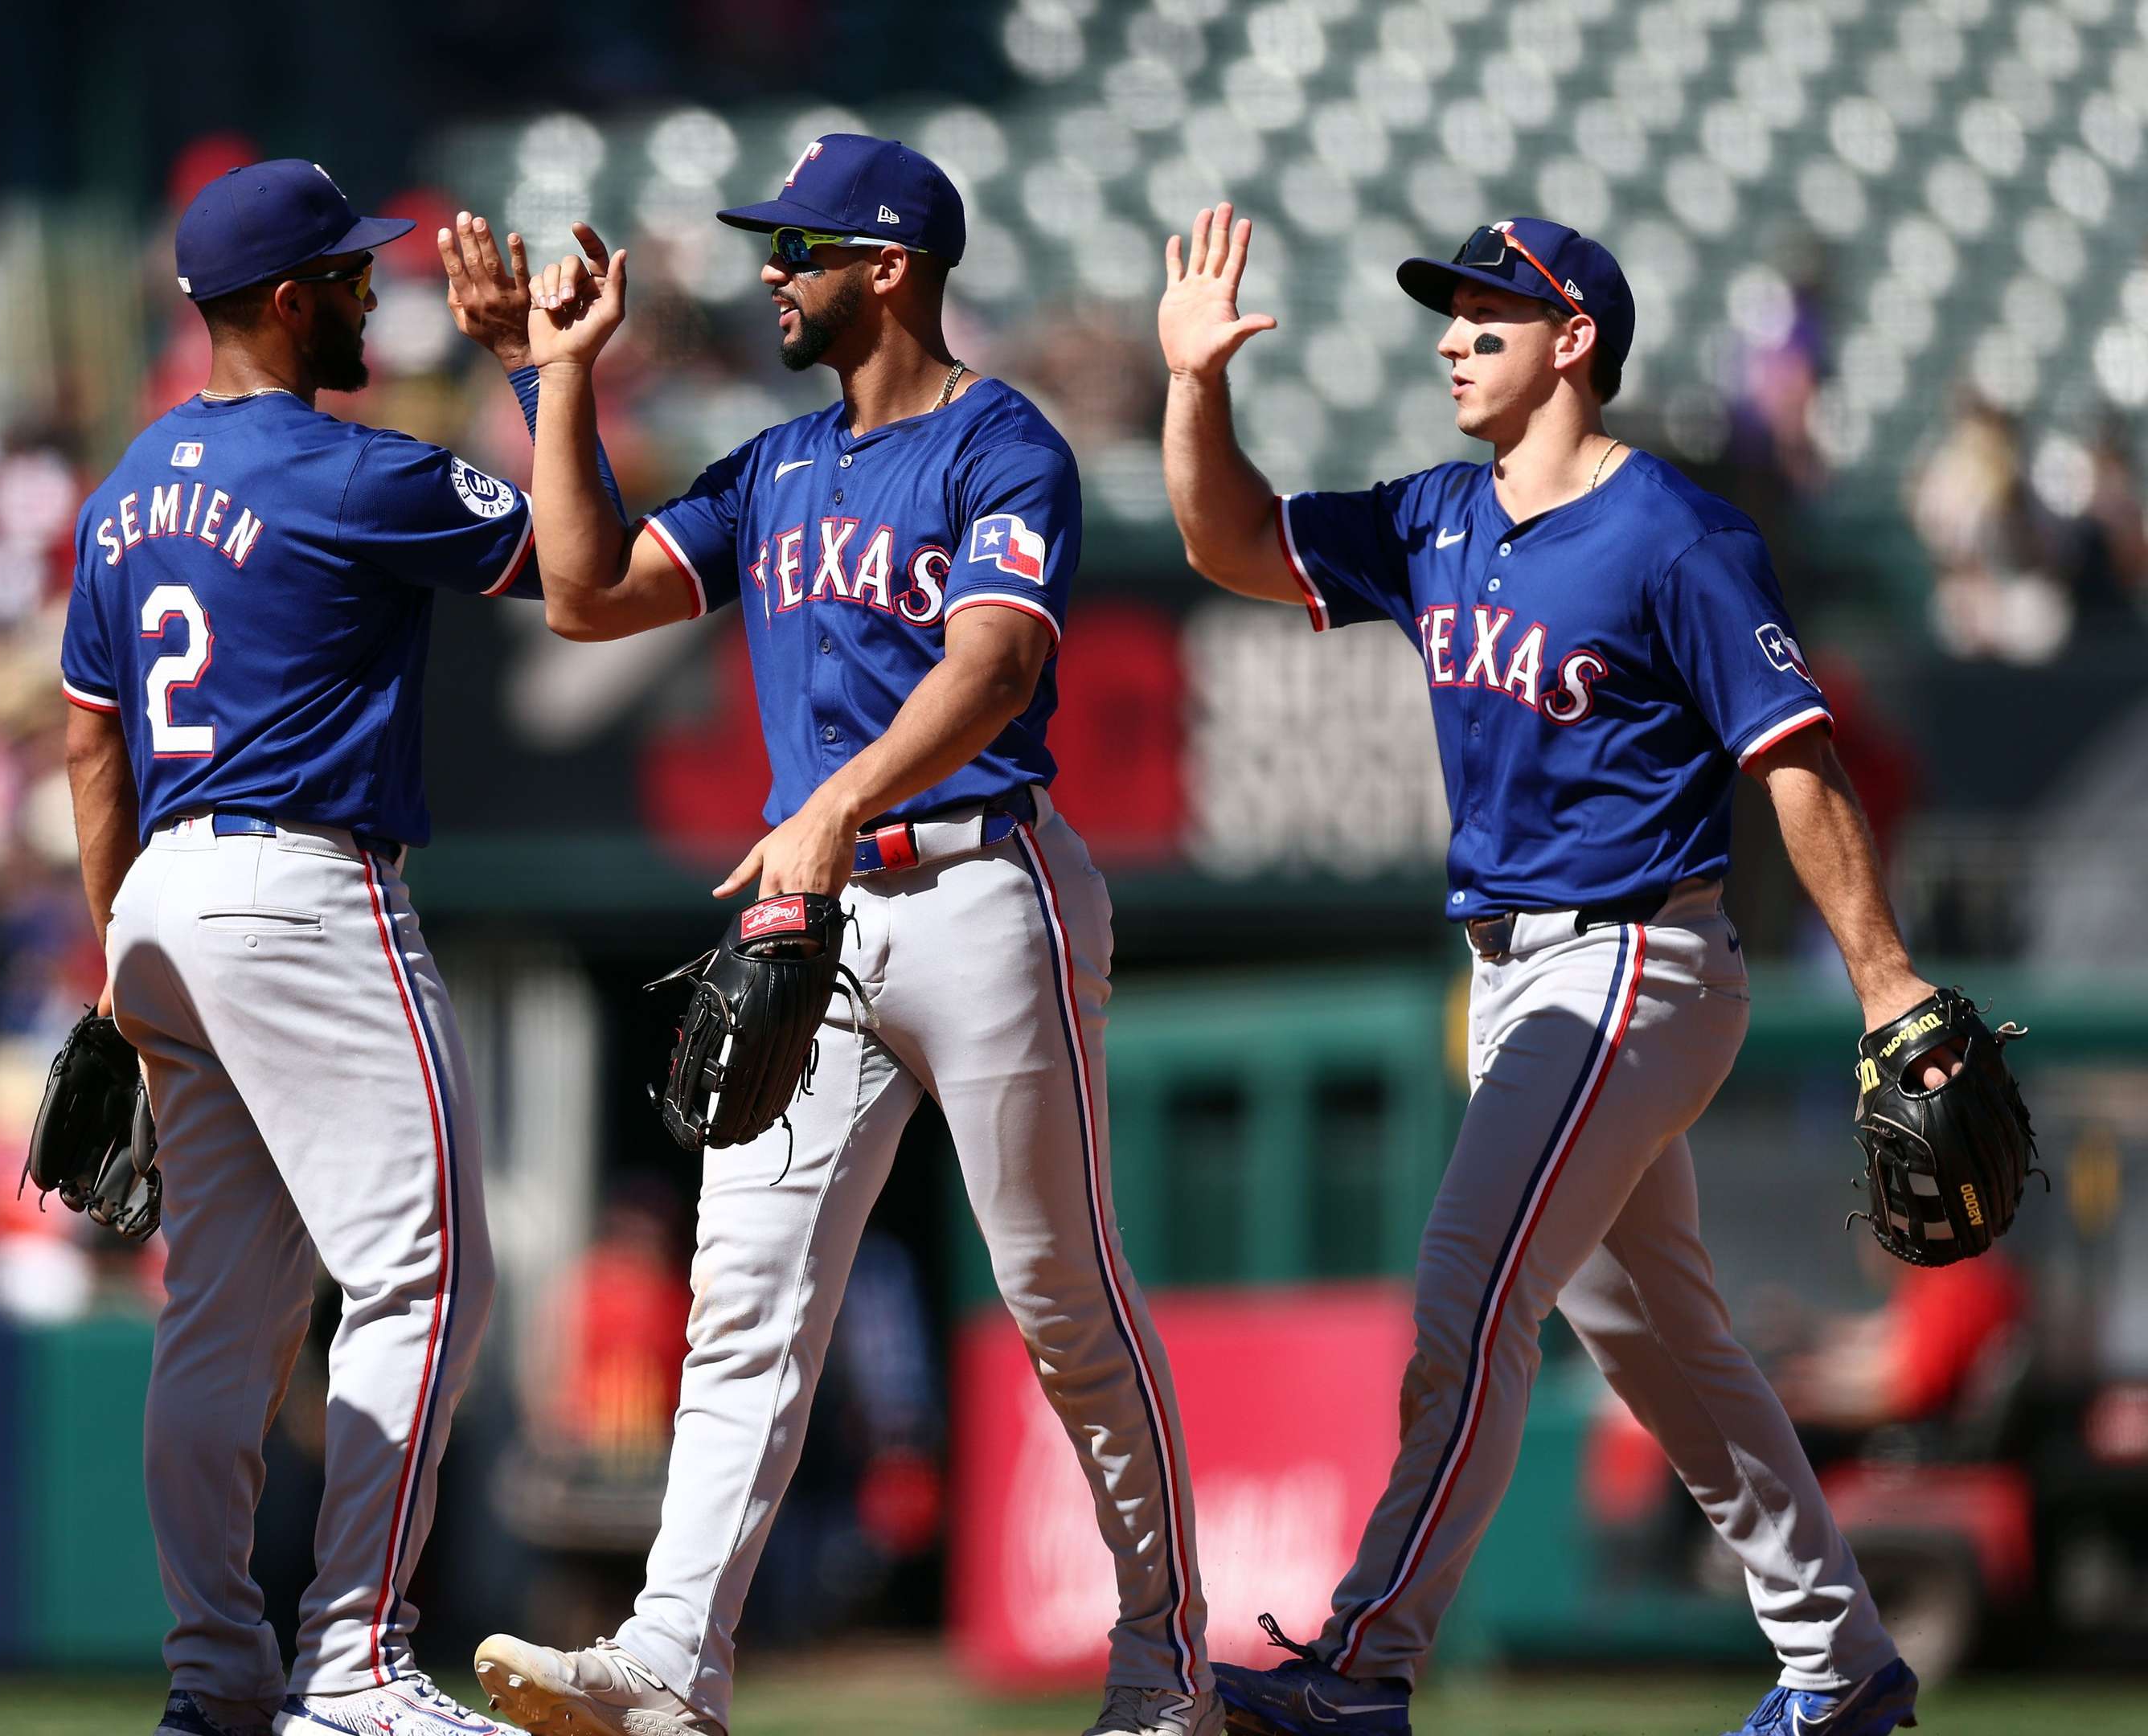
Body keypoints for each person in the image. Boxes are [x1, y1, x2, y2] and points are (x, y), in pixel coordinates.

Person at [457, 135, 1216, 1736]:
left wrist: (835, 801)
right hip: (824, 923)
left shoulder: (1002, 445)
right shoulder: (777, 464)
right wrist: (556, 379)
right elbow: (587, 592)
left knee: (1060, 1300)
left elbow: (997, 666)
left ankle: (1165, 1663)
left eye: (798, 248)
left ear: (890, 269)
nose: (770, 274)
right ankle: (673, 1661)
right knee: (746, 1297)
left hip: (985, 890)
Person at [1156, 205, 1928, 1736]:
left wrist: (1891, 984)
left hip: (1633, 963)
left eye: (1487, 315)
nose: (1452, 335)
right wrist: (1194, 387)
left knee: (1467, 1292)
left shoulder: (1673, 535)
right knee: (1669, 1347)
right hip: (1518, 982)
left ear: (1574, 342)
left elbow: (1795, 758)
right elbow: (1229, 542)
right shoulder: (1441, 515)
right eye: (1448, 312)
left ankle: (1366, 1669)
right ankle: (1840, 1667)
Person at [60, 158, 558, 1736]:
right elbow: (579, 562)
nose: (369, 293)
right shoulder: (351, 470)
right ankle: (352, 1662)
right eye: (348, 274)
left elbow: (90, 750)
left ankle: (216, 1674)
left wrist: (119, 955)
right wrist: (537, 368)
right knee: (436, 1276)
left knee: (218, 1317)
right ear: (289, 300)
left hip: (163, 895)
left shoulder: (127, 486)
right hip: (299, 883)